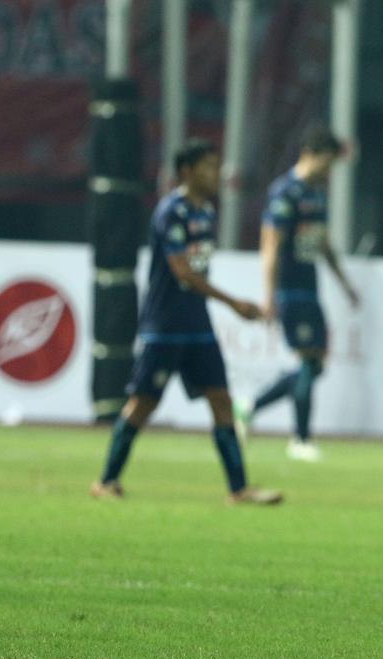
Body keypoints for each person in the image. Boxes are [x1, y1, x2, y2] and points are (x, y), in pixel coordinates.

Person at [92, 139, 281, 505]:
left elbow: (196, 270)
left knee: (222, 401)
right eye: (209, 167)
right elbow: (183, 272)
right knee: (143, 404)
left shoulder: (206, 213)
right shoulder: (171, 212)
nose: (217, 174)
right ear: (187, 172)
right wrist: (233, 303)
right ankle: (106, 480)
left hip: (197, 326)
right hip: (164, 326)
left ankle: (239, 489)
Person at [236, 127, 359, 463]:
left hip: (310, 287)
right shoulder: (285, 192)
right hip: (290, 289)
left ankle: (250, 406)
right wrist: (269, 295)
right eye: (328, 162)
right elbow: (270, 245)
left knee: (315, 365)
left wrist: (344, 283)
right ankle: (300, 439)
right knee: (308, 360)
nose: (329, 170)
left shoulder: (316, 195)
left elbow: (321, 243)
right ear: (311, 153)